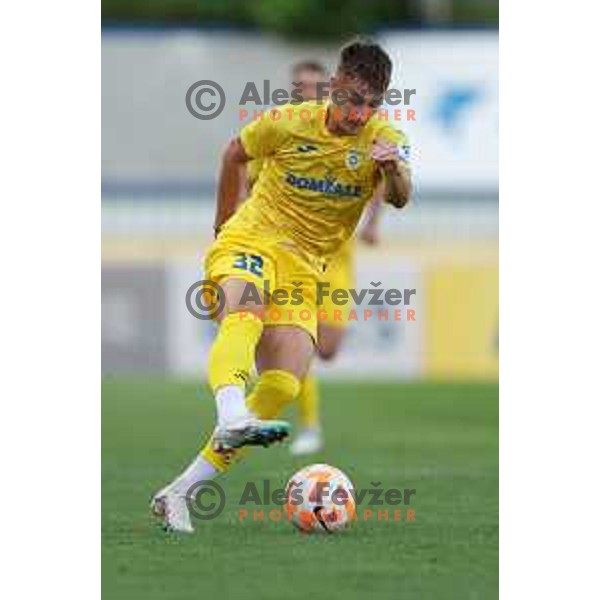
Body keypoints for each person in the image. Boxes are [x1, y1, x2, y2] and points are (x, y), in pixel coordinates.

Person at [152, 39, 412, 532]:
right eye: (353, 98)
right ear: (335, 86)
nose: (360, 113)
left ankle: (180, 492)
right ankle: (230, 411)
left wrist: (392, 166)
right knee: (244, 312)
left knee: (283, 382)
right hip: (253, 239)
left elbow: (400, 197)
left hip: (304, 267)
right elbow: (234, 154)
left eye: (372, 103)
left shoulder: (385, 137)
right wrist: (222, 224)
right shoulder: (289, 121)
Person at [244, 59, 386, 456]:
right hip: (287, 256)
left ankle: (274, 403)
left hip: (336, 257)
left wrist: (374, 224)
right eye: (298, 85)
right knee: (296, 333)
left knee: (327, 349)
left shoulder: (356, 133)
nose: (304, 90)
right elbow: (246, 171)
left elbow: (381, 179)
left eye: (313, 84)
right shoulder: (282, 128)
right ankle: (306, 425)